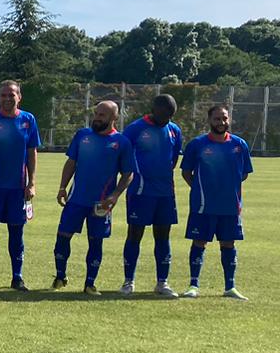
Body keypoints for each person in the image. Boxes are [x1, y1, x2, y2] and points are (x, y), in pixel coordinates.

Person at [52, 100, 136, 294]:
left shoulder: (121, 142)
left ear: (114, 118)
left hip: (101, 202)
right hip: (76, 199)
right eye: (96, 113)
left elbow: (128, 173)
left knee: (96, 241)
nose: (97, 118)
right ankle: (60, 275)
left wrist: (115, 196)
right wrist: (62, 187)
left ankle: (89, 283)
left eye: (102, 115)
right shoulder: (83, 136)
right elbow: (71, 163)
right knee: (62, 237)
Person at [180, 104, 253, 300]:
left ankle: (230, 287)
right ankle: (193, 285)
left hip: (230, 206)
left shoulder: (239, 145)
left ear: (229, 120)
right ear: (209, 121)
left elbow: (244, 173)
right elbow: (186, 172)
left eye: (225, 118)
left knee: (228, 243)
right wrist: (201, 189)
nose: (221, 122)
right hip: (203, 205)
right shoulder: (197, 144)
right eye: (217, 119)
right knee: (199, 242)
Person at [0, 80, 42, 290]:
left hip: (18, 189)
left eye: (11, 95)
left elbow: (31, 152)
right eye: (3, 95)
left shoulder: (28, 120)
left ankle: (17, 277)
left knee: (17, 232)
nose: (7, 99)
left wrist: (31, 183)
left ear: (18, 97)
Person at [120, 93, 183, 297]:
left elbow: (173, 161)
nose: (167, 120)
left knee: (163, 236)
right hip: (140, 191)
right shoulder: (136, 128)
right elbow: (123, 155)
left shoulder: (174, 131)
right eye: (164, 115)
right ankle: (129, 281)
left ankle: (162, 283)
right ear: (154, 109)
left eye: (171, 116)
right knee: (135, 235)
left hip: (165, 193)